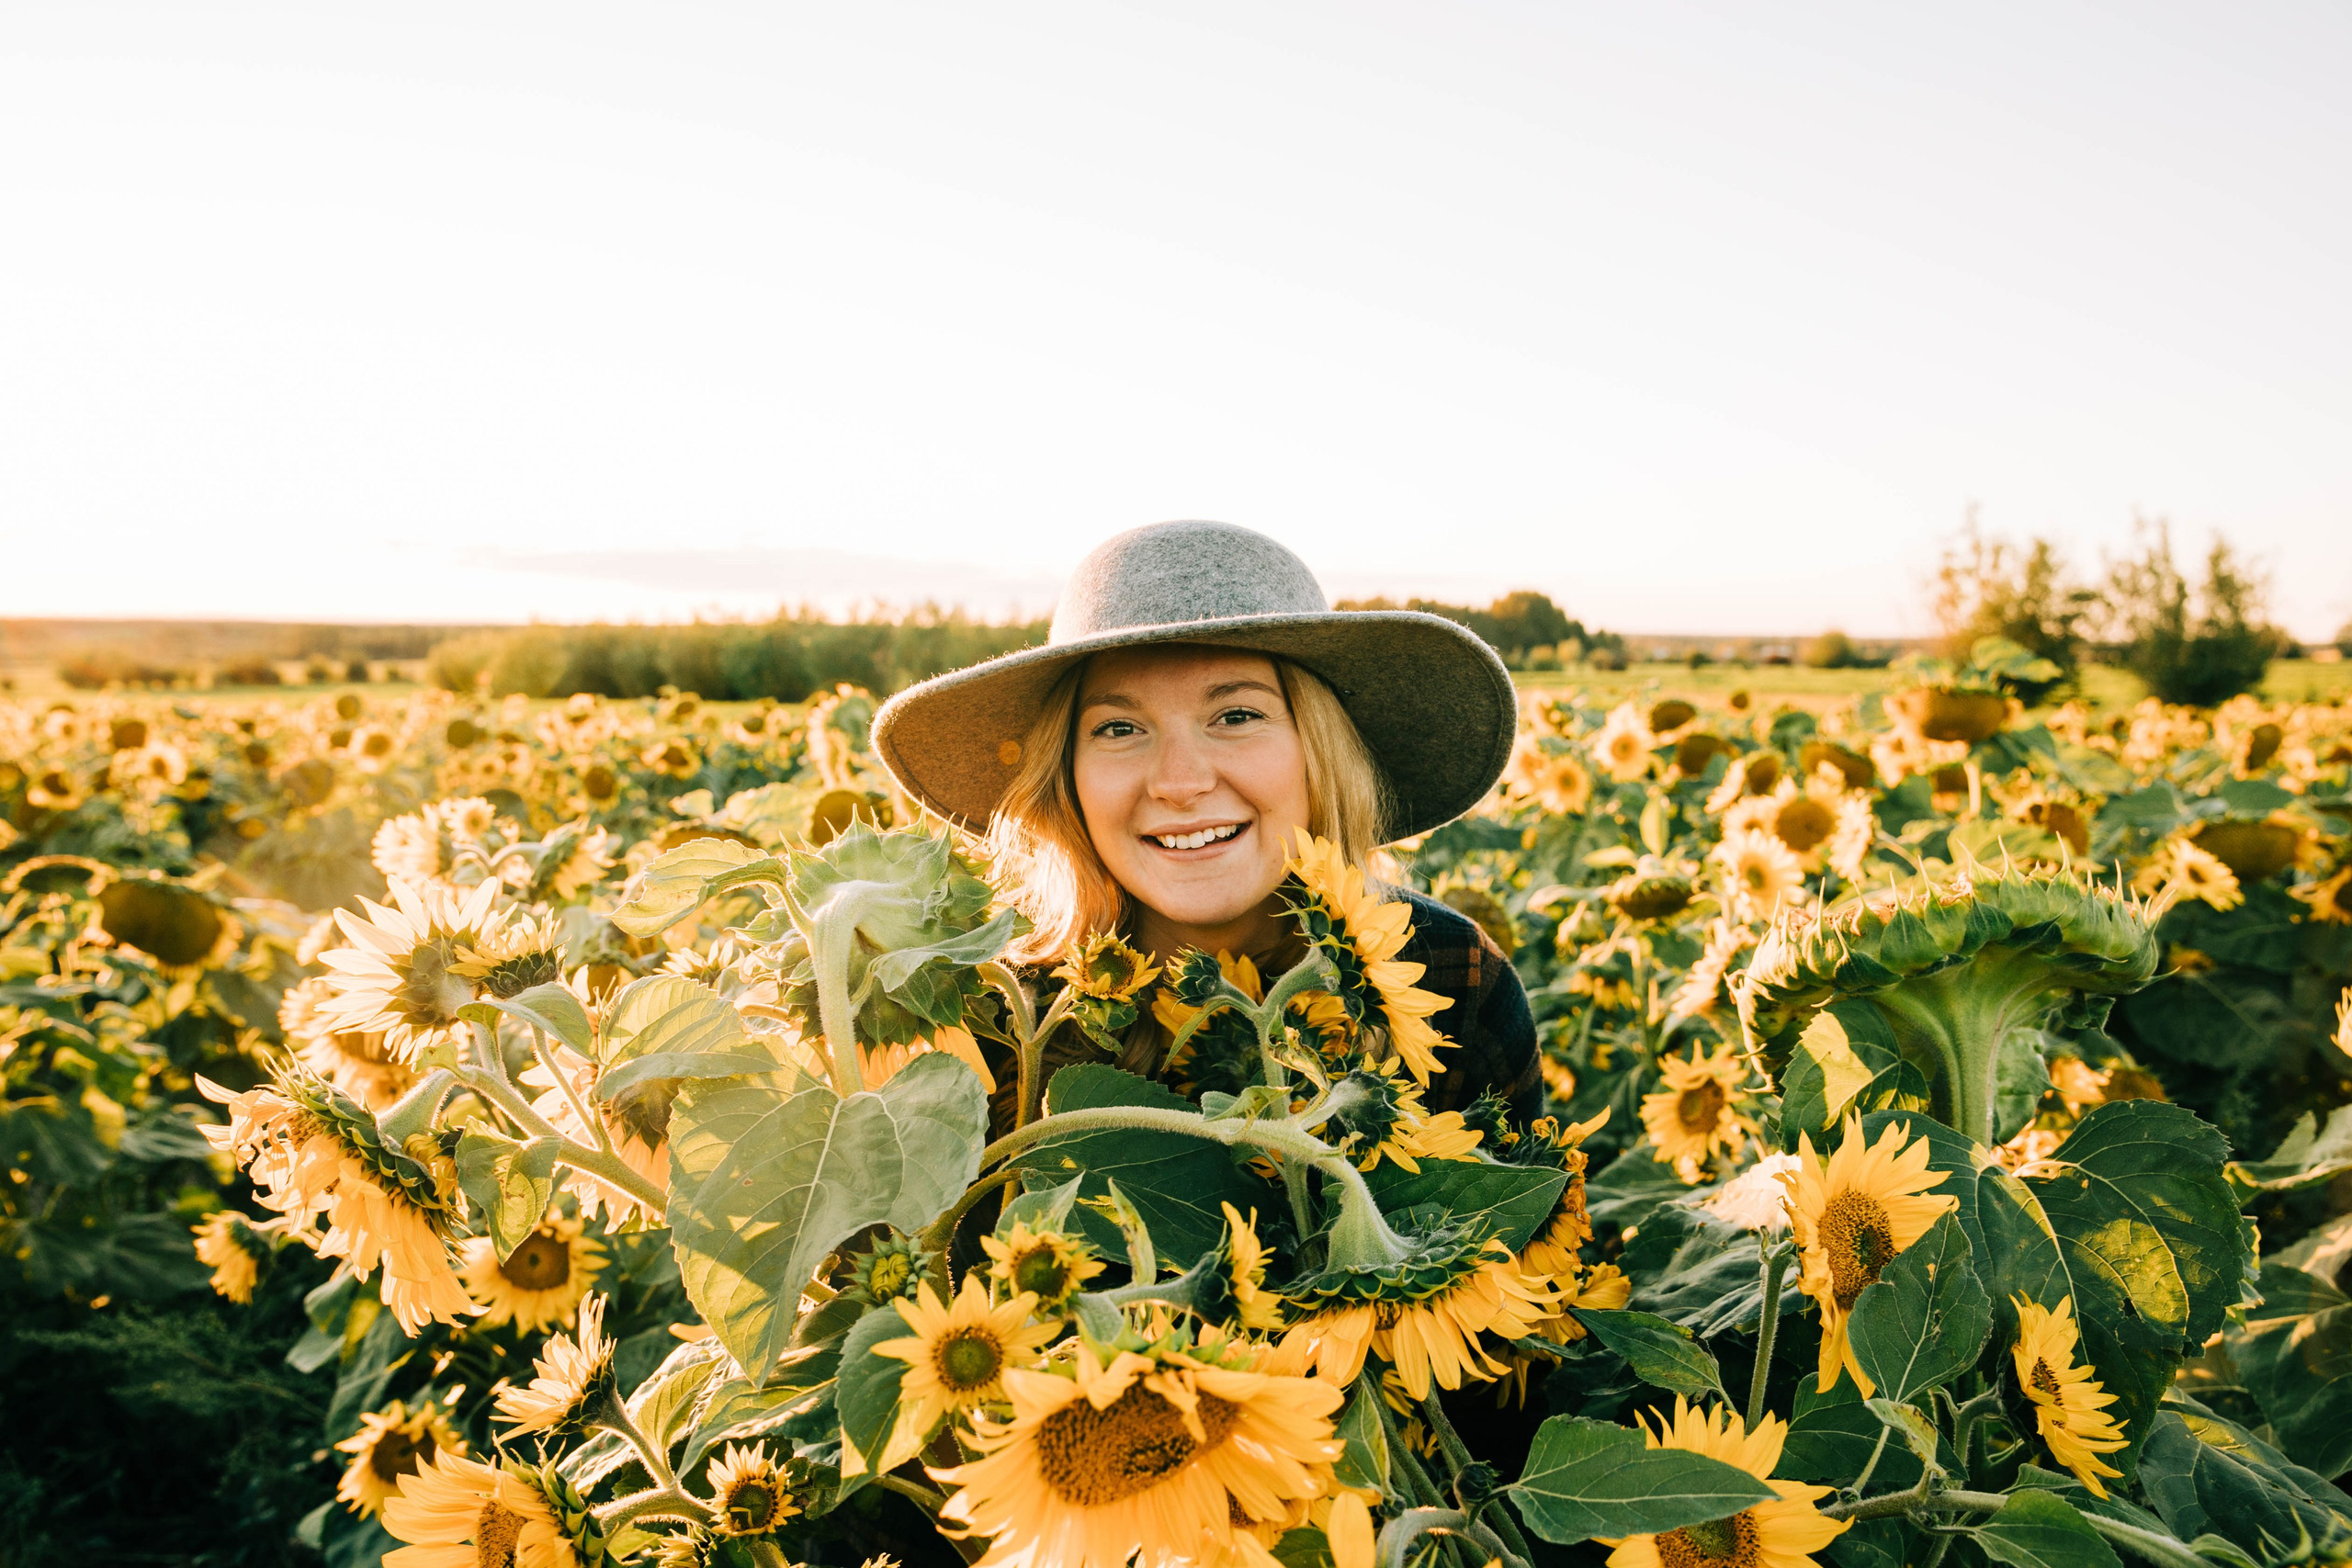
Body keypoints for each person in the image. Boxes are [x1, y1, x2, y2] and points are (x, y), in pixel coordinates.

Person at [871, 520, 1542, 1130]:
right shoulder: (991, 1019)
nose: (1179, 781)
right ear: (1064, 773)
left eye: (1237, 715)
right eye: (1120, 728)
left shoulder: (1451, 978)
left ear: (1320, 749)